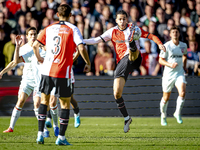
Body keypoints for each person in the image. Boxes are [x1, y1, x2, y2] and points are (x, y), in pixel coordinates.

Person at [83, 10, 166, 133]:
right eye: (119, 19)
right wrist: (81, 41)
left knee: (131, 51)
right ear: (116, 20)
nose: (122, 21)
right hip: (123, 63)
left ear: (127, 19)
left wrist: (159, 44)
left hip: (135, 58)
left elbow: (150, 36)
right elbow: (96, 40)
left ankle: (132, 42)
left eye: (124, 19)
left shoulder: (134, 28)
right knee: (116, 93)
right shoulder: (112, 32)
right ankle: (127, 118)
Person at [32, 4, 91, 145]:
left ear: (57, 15)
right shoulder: (73, 28)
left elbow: (35, 45)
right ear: (70, 15)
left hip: (46, 71)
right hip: (63, 72)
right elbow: (81, 47)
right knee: (64, 104)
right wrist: (88, 62)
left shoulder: (48, 28)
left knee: (44, 102)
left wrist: (39, 58)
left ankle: (40, 135)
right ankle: (61, 138)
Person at [0, 27, 51, 137]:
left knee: (37, 104)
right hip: (27, 79)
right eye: (31, 34)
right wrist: (3, 72)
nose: (33, 36)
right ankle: (11, 127)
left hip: (39, 80)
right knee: (21, 100)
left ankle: (45, 129)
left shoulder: (42, 49)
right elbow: (14, 62)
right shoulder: (24, 49)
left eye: (35, 34)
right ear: (27, 37)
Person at [159, 26, 187, 126]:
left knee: (182, 92)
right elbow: (160, 60)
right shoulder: (166, 46)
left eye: (176, 32)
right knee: (166, 97)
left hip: (179, 73)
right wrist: (170, 64)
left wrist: (184, 66)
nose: (175, 33)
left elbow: (184, 55)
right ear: (170, 35)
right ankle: (163, 115)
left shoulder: (183, 45)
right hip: (168, 75)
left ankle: (177, 113)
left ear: (179, 34)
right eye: (173, 32)